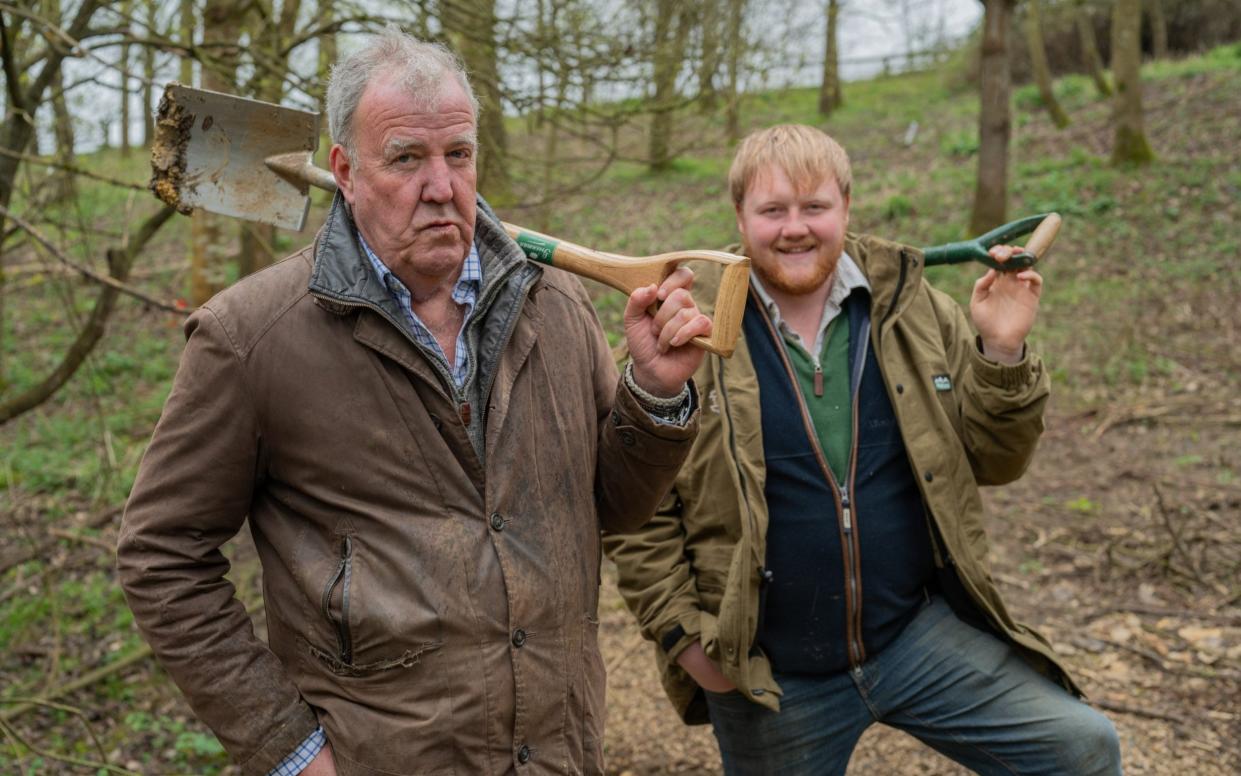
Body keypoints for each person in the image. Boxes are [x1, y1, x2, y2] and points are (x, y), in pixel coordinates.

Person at [117, 28, 713, 776]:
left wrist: (653, 395)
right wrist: (289, 749)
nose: (441, 186)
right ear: (344, 169)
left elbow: (613, 509)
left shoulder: (554, 305)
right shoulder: (251, 339)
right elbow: (161, 557)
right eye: (405, 158)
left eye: (457, 155)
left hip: (556, 753)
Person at [603, 124, 1122, 775]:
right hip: (767, 673)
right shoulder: (685, 332)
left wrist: (1001, 350)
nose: (794, 228)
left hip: (912, 635)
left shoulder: (913, 310)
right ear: (739, 216)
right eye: (772, 210)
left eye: (814, 207)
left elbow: (997, 462)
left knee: (1080, 750)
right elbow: (633, 512)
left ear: (845, 208)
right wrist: (686, 641)